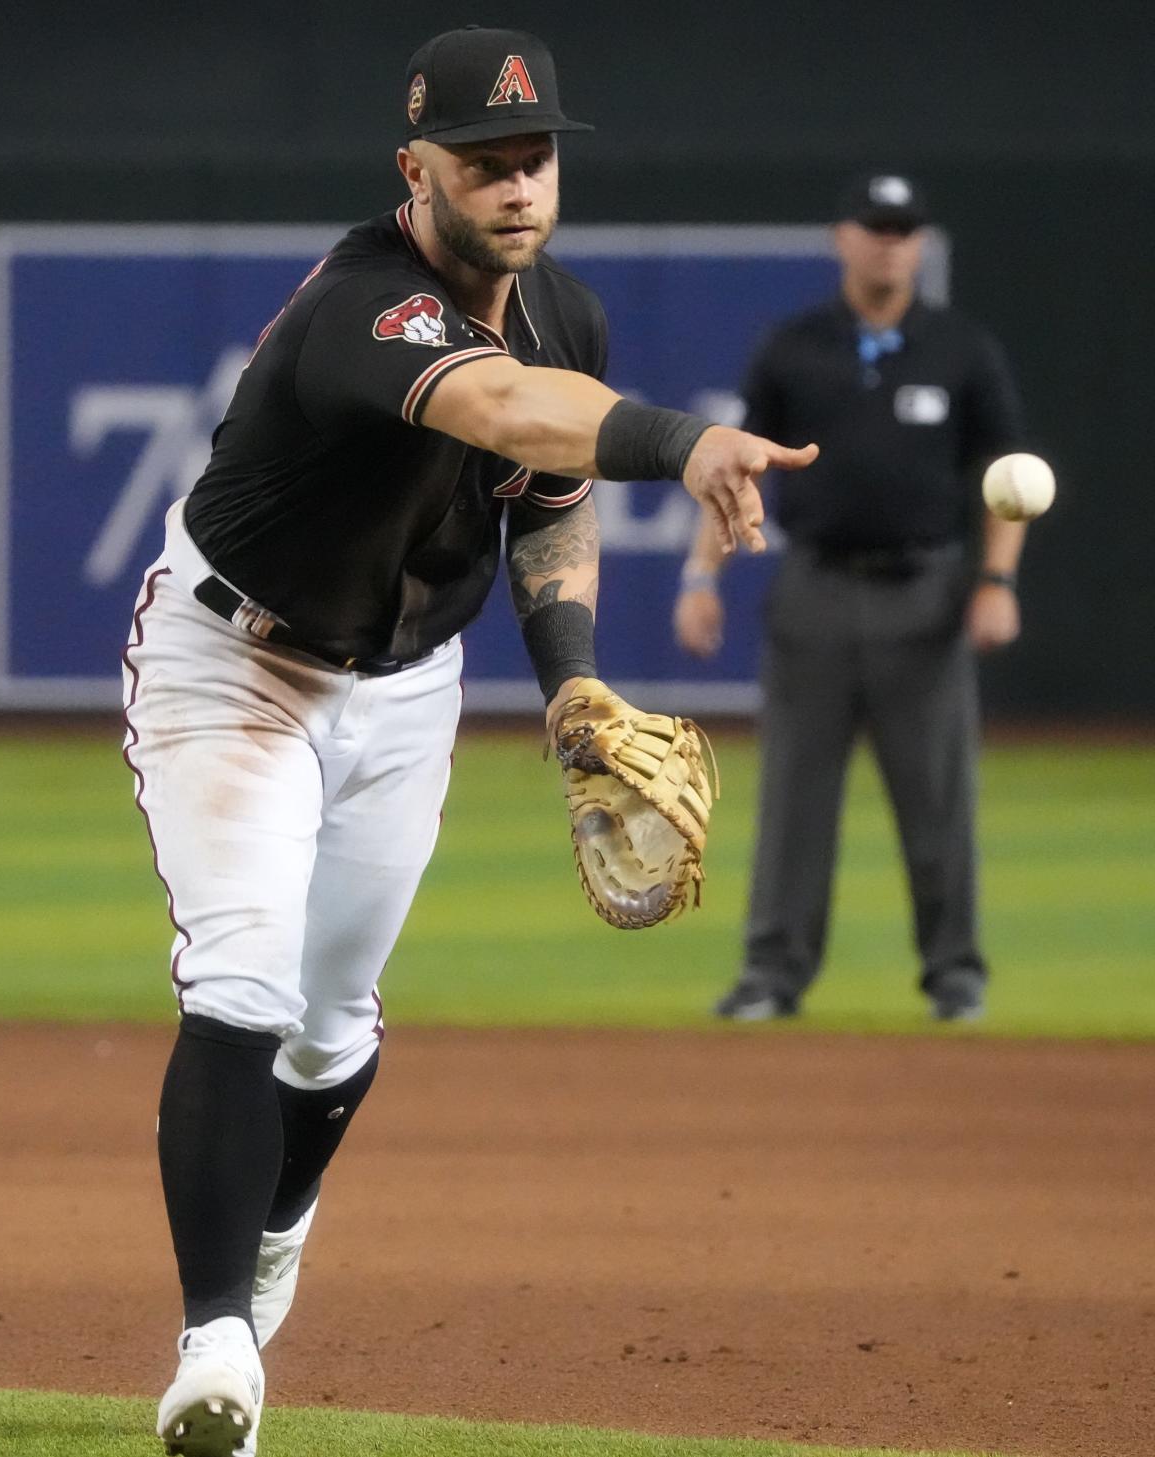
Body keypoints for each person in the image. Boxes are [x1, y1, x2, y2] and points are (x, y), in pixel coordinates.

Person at [124, 25, 817, 1457]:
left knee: (331, 1030)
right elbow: (497, 404)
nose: (515, 184)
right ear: (415, 170)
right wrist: (685, 442)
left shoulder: (568, 313)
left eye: (535, 157)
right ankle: (214, 1350)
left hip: (404, 684)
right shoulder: (369, 303)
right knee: (243, 980)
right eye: (483, 162)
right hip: (234, 668)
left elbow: (547, 496)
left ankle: (278, 1223)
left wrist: (569, 681)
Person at [674, 172, 1029, 1027]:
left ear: (919, 242)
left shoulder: (960, 348)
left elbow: (1005, 477)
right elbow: (735, 471)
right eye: (875, 226)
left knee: (938, 799)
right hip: (816, 591)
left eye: (904, 228)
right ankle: (772, 975)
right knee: (795, 799)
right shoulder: (793, 347)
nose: (889, 242)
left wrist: (997, 580)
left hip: (926, 593)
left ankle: (956, 977)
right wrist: (700, 575)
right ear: (842, 236)